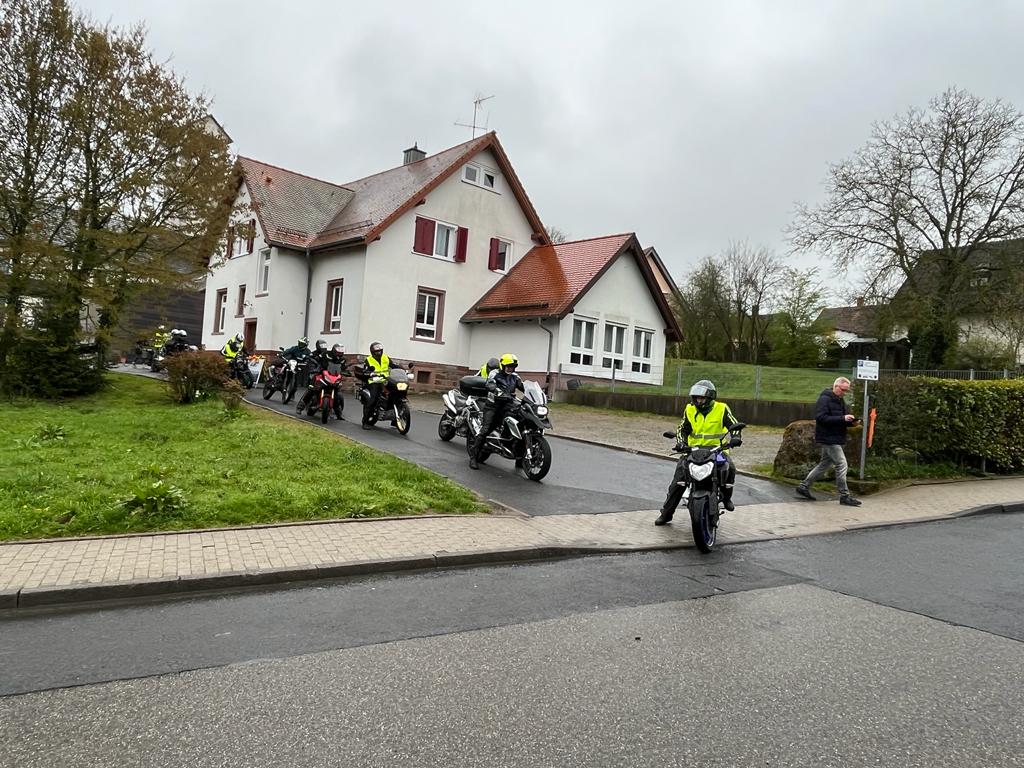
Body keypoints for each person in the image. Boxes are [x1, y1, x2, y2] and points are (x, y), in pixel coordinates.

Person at [654, 379, 740, 526]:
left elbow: (734, 424)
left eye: (701, 398)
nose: (698, 401)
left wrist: (736, 437)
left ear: (710, 397)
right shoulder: (690, 409)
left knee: (730, 468)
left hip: (716, 450)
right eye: (696, 398)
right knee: (678, 481)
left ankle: (726, 498)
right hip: (693, 451)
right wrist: (680, 443)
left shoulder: (722, 408)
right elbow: (682, 429)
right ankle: (667, 513)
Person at [795, 377, 862, 506]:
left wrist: (851, 423)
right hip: (829, 438)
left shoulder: (839, 400)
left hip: (834, 437)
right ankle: (844, 495)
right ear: (836, 386)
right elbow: (821, 418)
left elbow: (840, 420)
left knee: (824, 464)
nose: (844, 393)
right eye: (843, 390)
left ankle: (804, 486)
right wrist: (843, 418)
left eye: (846, 391)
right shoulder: (824, 399)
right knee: (842, 464)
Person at [470, 353, 525, 470]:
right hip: (493, 405)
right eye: (508, 366)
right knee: (486, 429)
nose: (511, 368)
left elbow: (523, 386)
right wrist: (496, 390)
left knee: (522, 424)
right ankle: (473, 457)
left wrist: (535, 393)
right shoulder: (494, 374)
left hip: (508, 405)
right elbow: (490, 384)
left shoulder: (515, 376)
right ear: (502, 365)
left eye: (513, 366)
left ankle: (520, 459)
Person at [359, 341, 401, 429]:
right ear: (372, 352)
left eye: (380, 351)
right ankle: (365, 421)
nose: (379, 353)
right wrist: (370, 373)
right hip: (374, 381)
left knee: (397, 394)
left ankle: (395, 420)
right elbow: (365, 371)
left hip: (386, 380)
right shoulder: (368, 360)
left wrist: (402, 370)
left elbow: (393, 365)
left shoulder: (386, 358)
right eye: (377, 351)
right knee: (373, 400)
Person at [300, 341, 349, 415]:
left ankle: (338, 413)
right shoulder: (326, 354)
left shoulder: (343, 360)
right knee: (311, 387)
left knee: (337, 392)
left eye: (341, 352)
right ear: (334, 350)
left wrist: (346, 372)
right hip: (322, 373)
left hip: (334, 377)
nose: (340, 354)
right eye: (338, 352)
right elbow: (317, 358)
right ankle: (301, 406)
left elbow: (343, 368)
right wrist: (314, 363)